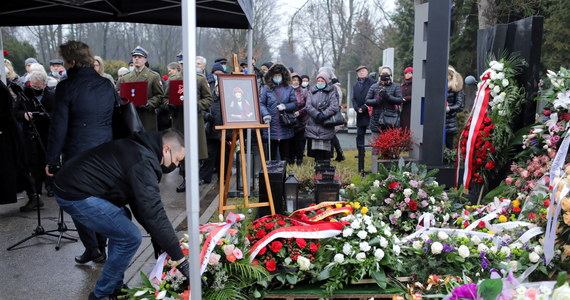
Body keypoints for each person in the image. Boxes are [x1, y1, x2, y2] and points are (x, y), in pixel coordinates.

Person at [52, 129, 190, 300]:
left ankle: (115, 287)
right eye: (177, 160)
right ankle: (101, 294)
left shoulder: (142, 149)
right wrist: (181, 260)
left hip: (75, 184)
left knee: (122, 220)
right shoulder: (143, 162)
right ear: (166, 149)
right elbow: (154, 212)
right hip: (74, 192)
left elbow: (141, 205)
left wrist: (157, 237)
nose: (176, 165)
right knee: (129, 236)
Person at [46, 40, 116, 265]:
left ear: (72, 61)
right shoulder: (106, 84)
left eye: (66, 61)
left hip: (78, 154)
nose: (64, 65)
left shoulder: (66, 87)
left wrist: (51, 159)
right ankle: (100, 248)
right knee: (102, 200)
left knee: (76, 201)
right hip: (105, 150)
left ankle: (92, 247)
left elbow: (59, 127)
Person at [14, 71, 55, 208]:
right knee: (32, 162)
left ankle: (50, 186)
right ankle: (36, 191)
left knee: (47, 161)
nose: (35, 89)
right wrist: (24, 115)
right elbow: (15, 111)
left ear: (44, 84)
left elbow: (55, 115)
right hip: (29, 134)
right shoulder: (24, 94)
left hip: (46, 134)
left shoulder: (51, 97)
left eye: (38, 87)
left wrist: (43, 115)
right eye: (33, 86)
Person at [174, 58, 212, 192]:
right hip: (180, 119)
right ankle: (185, 179)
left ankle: (194, 179)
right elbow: (165, 98)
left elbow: (208, 99)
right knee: (181, 150)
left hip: (195, 120)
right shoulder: (174, 79)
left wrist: (196, 105)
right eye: (182, 64)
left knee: (195, 151)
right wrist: (170, 104)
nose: (184, 66)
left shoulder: (200, 79)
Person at [116, 46, 165, 131]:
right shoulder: (125, 78)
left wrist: (149, 104)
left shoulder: (153, 76)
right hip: (131, 115)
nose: (136, 59)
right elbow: (121, 96)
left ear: (145, 60)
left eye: (139, 57)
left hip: (147, 115)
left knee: (147, 140)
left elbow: (159, 95)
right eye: (134, 57)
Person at [260, 63, 297, 163]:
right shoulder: (267, 88)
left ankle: (283, 176)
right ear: (271, 76)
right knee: (270, 157)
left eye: (279, 76)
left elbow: (294, 103)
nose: (277, 77)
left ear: (283, 76)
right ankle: (271, 176)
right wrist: (266, 114)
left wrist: (285, 106)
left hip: (285, 126)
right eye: (275, 76)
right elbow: (261, 103)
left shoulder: (289, 88)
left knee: (285, 157)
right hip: (271, 125)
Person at [305, 72, 340, 161]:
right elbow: (308, 106)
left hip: (326, 123)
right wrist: (317, 114)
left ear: (326, 82)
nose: (320, 83)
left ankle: (326, 168)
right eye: (318, 81)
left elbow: (334, 106)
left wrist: (324, 115)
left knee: (326, 153)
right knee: (316, 153)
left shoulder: (331, 91)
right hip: (314, 123)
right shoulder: (311, 91)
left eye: (322, 81)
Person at [366, 66, 403, 149]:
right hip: (376, 119)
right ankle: (375, 161)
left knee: (390, 146)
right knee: (376, 146)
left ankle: (389, 162)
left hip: (390, 119)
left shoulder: (396, 86)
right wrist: (377, 100)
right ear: (379, 75)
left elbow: (400, 100)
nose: (385, 75)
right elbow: (367, 101)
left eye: (387, 73)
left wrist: (388, 97)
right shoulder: (374, 87)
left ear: (390, 75)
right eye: (383, 73)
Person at [0, 80, 25, 205]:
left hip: (6, 134)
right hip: (7, 132)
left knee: (14, 167)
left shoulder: (1, 89)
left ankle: (33, 194)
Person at [318, 66, 345, 162]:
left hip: (331, 115)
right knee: (332, 135)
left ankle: (337, 153)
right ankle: (339, 153)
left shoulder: (334, 87)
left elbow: (336, 102)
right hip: (327, 114)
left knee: (331, 135)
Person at [351, 65, 375, 173]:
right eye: (359, 71)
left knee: (374, 134)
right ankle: (360, 152)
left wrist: (365, 107)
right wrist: (357, 108)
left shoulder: (372, 83)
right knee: (359, 134)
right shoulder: (356, 84)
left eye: (363, 71)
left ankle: (376, 152)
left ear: (367, 72)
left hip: (370, 112)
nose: (361, 73)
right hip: (360, 114)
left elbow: (373, 97)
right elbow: (354, 98)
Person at [290, 73, 309, 165]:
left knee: (300, 141)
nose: (296, 82)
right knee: (291, 141)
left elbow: (308, 105)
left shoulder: (304, 91)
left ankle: (299, 159)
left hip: (302, 120)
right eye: (294, 80)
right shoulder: (288, 90)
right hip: (290, 120)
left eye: (297, 80)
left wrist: (299, 112)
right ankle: (291, 158)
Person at [445, 65, 465, 149]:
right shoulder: (442, 87)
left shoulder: (457, 88)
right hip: (439, 119)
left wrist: (449, 109)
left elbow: (459, 104)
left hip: (450, 119)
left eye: (448, 75)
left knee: (449, 144)